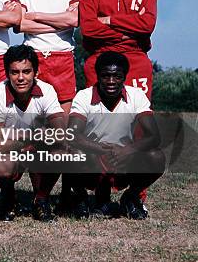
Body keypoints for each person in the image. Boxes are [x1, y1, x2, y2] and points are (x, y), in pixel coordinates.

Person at [67, 51, 164, 219]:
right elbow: (73, 135)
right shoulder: (84, 96)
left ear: (125, 76)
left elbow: (154, 136)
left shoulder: (136, 96)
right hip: (94, 159)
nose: (111, 81)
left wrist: (128, 150)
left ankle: (131, 196)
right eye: (105, 76)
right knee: (73, 154)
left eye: (117, 76)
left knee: (156, 157)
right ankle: (81, 197)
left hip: (124, 159)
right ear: (97, 76)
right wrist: (101, 150)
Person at [0, 45, 67, 221]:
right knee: (0, 163)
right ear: (7, 74)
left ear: (36, 72)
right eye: (14, 72)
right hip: (13, 151)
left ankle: (41, 199)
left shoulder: (47, 90)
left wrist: (24, 140)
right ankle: (9, 197)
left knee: (62, 152)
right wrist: (31, 137)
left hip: (33, 149)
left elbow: (61, 133)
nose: (20, 78)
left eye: (26, 71)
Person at [18, 0, 83, 114]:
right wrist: (60, 22)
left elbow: (74, 20)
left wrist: (36, 15)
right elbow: (20, 25)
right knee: (32, 121)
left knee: (61, 125)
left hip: (62, 57)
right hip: (33, 57)